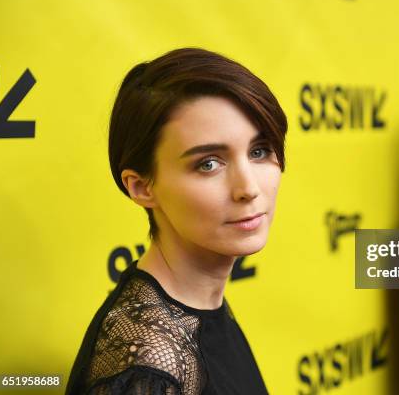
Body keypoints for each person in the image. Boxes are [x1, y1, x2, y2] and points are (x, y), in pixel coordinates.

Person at [66, 48, 287, 395]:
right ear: (141, 186)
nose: (249, 188)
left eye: (259, 151)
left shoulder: (197, 307)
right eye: (209, 164)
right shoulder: (150, 362)